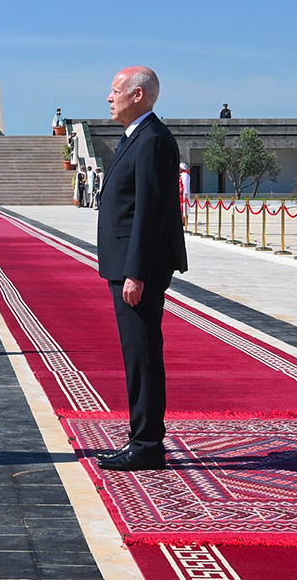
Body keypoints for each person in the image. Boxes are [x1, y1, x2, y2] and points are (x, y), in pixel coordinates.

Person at [96, 66, 186, 471]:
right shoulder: (137, 136)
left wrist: (136, 273)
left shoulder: (152, 140)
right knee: (137, 354)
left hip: (138, 270)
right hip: (126, 265)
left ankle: (147, 444)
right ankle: (141, 437)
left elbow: (150, 212)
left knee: (143, 354)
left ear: (137, 95)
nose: (109, 98)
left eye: (116, 91)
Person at [179, 162, 191, 227]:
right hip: (182, 194)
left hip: (183, 194)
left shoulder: (184, 175)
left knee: (183, 208)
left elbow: (184, 185)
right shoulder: (183, 175)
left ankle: (183, 221)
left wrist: (183, 192)